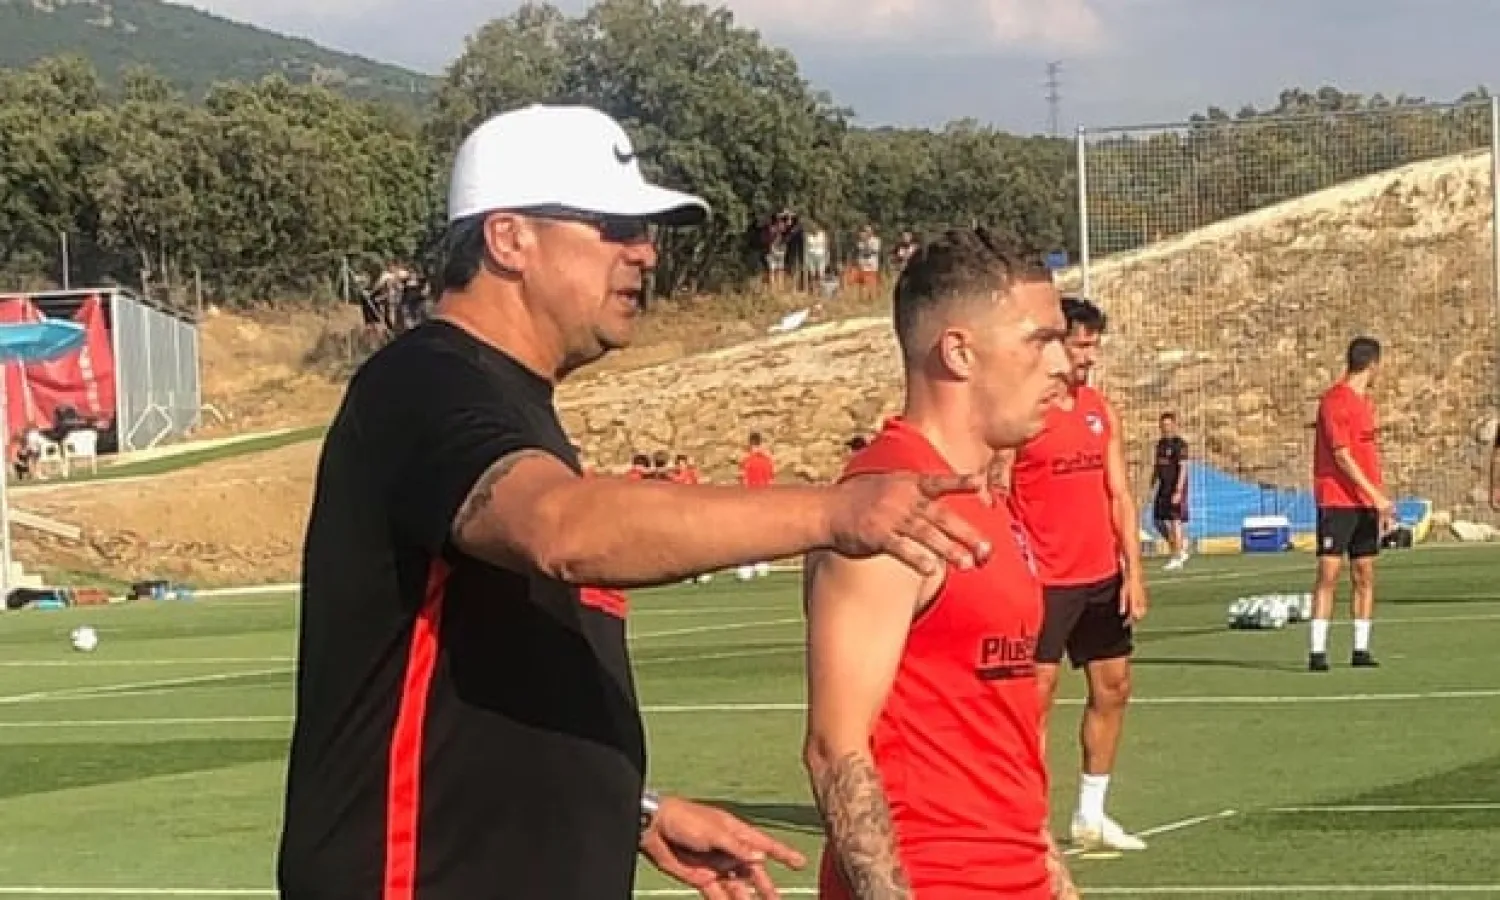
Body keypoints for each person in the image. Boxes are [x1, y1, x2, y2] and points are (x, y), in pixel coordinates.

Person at [275, 103, 995, 900]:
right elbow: (562, 531)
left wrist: (633, 811)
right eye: (614, 225)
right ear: (508, 238)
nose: (646, 252)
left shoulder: (514, 407)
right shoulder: (427, 383)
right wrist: (834, 512)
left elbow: (497, 692)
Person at [803, 228, 1079, 900]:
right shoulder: (885, 505)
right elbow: (835, 748)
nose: (1064, 364)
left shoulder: (985, 499)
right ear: (959, 351)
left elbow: (998, 733)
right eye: (1040, 340)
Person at [994, 294, 1149, 853]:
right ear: (1056, 345)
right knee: (1033, 700)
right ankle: (1027, 823)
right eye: (1081, 344)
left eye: (1094, 344)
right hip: (1044, 582)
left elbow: (1120, 493)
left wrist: (1133, 571)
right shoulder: (1023, 412)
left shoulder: (1101, 409)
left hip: (1101, 577)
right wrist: (1013, 564)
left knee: (1115, 687)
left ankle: (1091, 813)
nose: (1090, 355)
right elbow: (998, 489)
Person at [1309, 336, 1391, 672]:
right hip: (1337, 500)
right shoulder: (1334, 401)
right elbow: (1342, 456)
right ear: (1373, 364)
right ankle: (1317, 650)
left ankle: (1360, 648)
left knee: (1365, 573)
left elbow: (1368, 457)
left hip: (1366, 503)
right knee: (1329, 572)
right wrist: (1374, 494)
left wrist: (1380, 501)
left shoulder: (1366, 404)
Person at [1150, 411, 1191, 570]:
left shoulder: (1179, 445)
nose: (1166, 428)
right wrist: (1152, 483)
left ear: (1174, 425)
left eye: (1168, 425)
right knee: (1158, 521)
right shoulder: (1160, 444)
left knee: (1175, 521)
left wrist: (1179, 490)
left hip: (1175, 487)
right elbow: (1157, 466)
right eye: (1163, 425)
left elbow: (1183, 468)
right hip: (1163, 487)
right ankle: (1178, 546)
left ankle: (1176, 556)